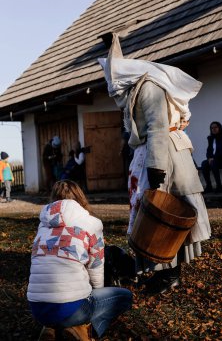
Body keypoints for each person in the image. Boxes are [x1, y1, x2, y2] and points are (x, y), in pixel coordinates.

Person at [99, 33, 211, 295]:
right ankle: (160, 271)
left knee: (164, 215)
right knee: (154, 217)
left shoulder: (149, 86)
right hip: (151, 152)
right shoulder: (138, 88)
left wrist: (156, 169)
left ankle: (169, 274)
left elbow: (158, 127)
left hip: (163, 156)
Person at [27, 180, 132, 340]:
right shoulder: (92, 224)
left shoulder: (43, 225)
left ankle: (50, 328)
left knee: (61, 305)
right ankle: (82, 329)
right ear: (80, 198)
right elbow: (96, 267)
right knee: (125, 297)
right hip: (73, 308)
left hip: (38, 309)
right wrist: (97, 291)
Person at [201, 121, 222, 193]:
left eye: (215, 127)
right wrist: (209, 158)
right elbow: (209, 150)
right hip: (213, 160)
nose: (213, 129)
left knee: (213, 162)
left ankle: (219, 186)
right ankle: (209, 186)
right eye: (212, 128)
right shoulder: (211, 138)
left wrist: (214, 158)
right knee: (204, 164)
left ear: (219, 128)